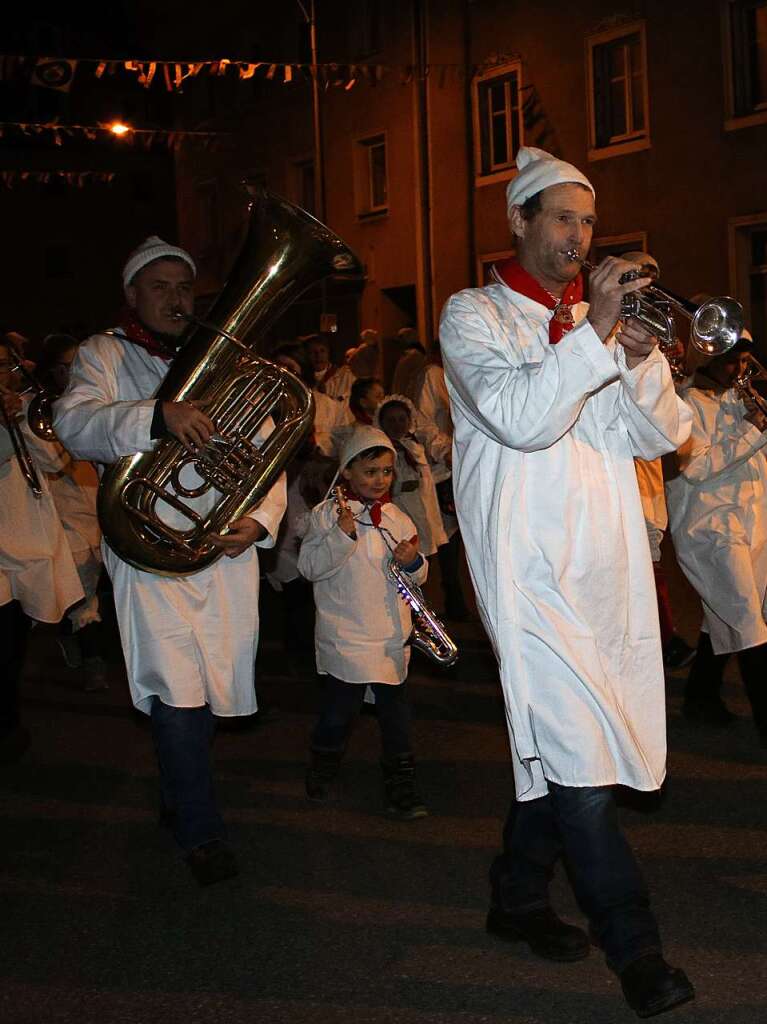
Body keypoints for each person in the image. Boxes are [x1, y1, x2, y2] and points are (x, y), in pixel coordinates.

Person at [439, 146, 694, 1018]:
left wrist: (641, 355)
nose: (579, 237)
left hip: (605, 570)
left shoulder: (598, 323)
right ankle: (638, 952)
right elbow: (517, 418)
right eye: (561, 218)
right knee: (583, 778)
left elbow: (655, 438)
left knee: (561, 758)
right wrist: (591, 338)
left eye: (588, 221)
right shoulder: (469, 314)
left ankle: (514, 897)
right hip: (526, 576)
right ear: (517, 220)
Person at [54, 236, 287, 886]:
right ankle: (200, 831)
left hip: (220, 548)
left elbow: (270, 442)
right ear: (131, 293)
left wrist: (260, 520)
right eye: (159, 286)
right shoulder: (105, 352)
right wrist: (157, 415)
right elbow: (73, 423)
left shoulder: (229, 361)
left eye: (184, 287)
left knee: (208, 686)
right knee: (175, 686)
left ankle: (178, 788)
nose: (176, 298)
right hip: (147, 546)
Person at [297, 426, 429, 819]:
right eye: (370, 471)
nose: (380, 480)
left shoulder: (397, 517)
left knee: (396, 717)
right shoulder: (326, 515)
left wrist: (413, 563)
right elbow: (309, 568)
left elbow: (417, 577)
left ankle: (401, 784)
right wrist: (340, 535)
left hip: (390, 636)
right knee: (340, 712)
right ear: (348, 472)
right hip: (346, 636)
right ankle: (323, 765)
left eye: (387, 471)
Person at [665, 332, 767, 740]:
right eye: (730, 361)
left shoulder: (734, 400)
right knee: (749, 622)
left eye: (744, 362)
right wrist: (748, 430)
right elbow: (696, 467)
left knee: (723, 616)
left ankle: (700, 697)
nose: (738, 370)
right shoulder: (688, 403)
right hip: (710, 528)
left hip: (749, 522)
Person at [1, 334, 85, 761]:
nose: (5, 374)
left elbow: (56, 461)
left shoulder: (28, 407)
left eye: (6, 365)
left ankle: (9, 721)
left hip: (28, 543)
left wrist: (17, 422)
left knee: (14, 644)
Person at [37, 333, 108, 690]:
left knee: (96, 591)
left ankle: (72, 635)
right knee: (85, 593)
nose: (74, 373)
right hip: (66, 512)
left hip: (103, 510)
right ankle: (94, 662)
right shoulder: (41, 407)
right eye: (66, 368)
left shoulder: (104, 399)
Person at [374, 394, 449, 558]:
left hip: (424, 505)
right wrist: (400, 486)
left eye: (402, 419)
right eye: (391, 420)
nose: (397, 424)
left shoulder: (414, 446)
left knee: (427, 551)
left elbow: (427, 475)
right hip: (401, 507)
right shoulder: (382, 450)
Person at [305, 334, 355, 405]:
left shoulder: (344, 375)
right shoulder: (304, 380)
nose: (318, 356)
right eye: (313, 352)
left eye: (322, 351)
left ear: (328, 353)